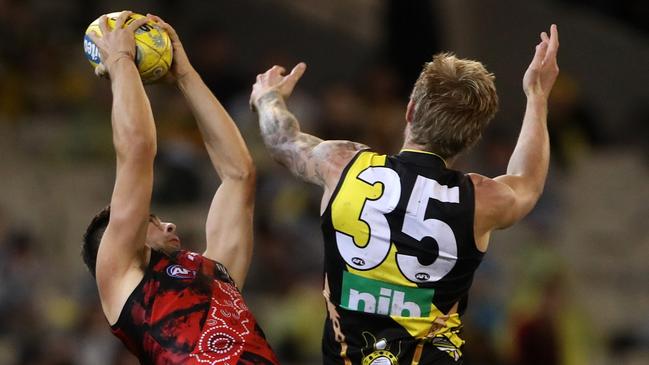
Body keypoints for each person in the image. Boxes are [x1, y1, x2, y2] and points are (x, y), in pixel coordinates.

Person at [250, 24, 560, 364]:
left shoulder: (344, 166)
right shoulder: (480, 200)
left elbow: (282, 140)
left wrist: (268, 97)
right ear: (470, 139)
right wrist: (536, 96)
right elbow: (527, 181)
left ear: (410, 110)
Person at [82, 11, 279, 364]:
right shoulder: (120, 276)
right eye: (152, 223)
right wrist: (121, 60)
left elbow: (238, 175)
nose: (169, 225)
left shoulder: (216, 274)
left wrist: (186, 75)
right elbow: (137, 151)